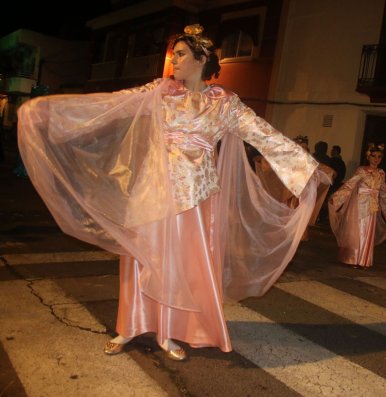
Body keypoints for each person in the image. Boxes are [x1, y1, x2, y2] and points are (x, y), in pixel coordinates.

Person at [17, 24, 321, 361]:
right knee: (141, 257)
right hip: (151, 189)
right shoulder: (160, 92)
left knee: (180, 266)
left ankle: (170, 330)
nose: (173, 60)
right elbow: (112, 104)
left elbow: (264, 135)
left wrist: (305, 166)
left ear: (201, 57)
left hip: (195, 197)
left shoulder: (225, 104)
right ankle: (130, 325)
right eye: (173, 54)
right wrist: (50, 112)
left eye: (180, 54)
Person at [328, 143, 386, 268]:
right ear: (368, 157)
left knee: (368, 233)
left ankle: (363, 260)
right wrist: (337, 198)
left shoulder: (381, 173)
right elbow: (350, 184)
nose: (376, 159)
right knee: (358, 232)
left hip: (372, 207)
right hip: (360, 206)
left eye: (379, 157)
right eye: (374, 156)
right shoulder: (362, 170)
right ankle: (353, 258)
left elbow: (383, 193)